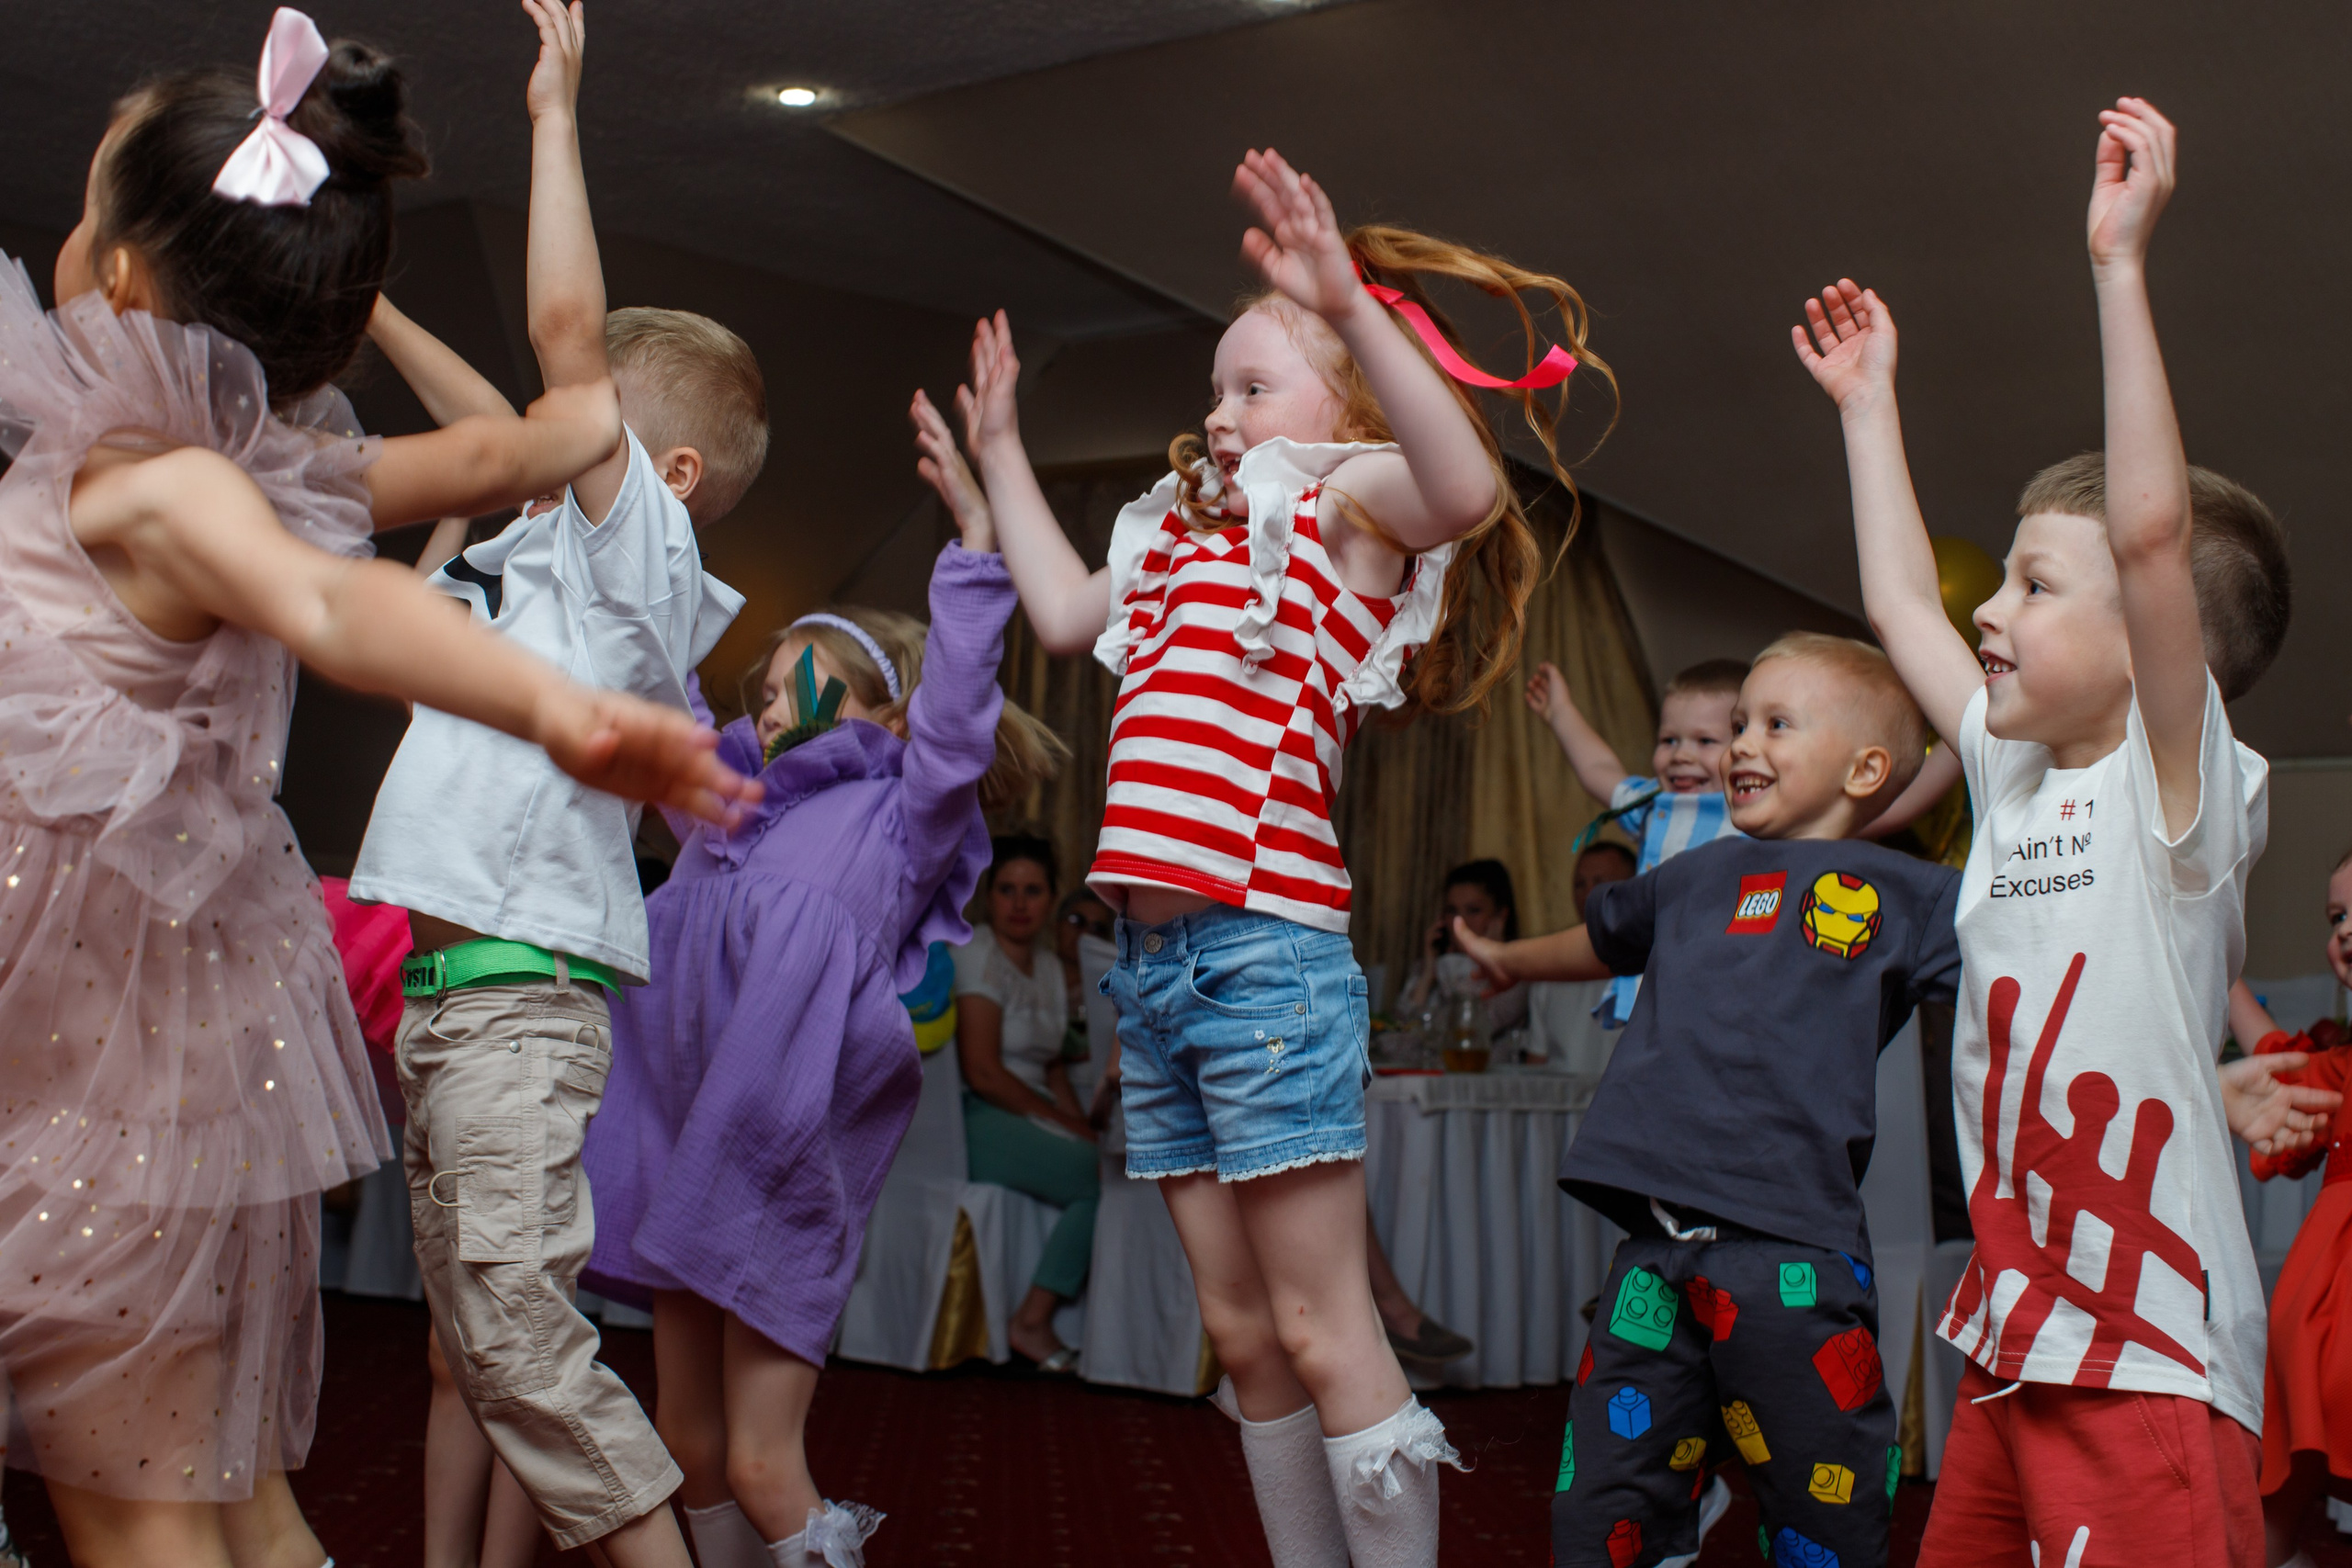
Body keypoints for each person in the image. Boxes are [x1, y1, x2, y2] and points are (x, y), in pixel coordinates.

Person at [0, 11, 749, 1567]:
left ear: (125, 277)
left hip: (99, 1051)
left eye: (85, 209)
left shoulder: (181, 483)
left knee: (133, 1489)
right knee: (225, 1488)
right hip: (150, 1026)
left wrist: (561, 709)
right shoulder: (234, 463)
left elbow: (359, 605)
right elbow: (524, 439)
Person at [944, 144, 1616, 1568]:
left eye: (1257, 383)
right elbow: (1063, 612)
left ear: (1347, 406)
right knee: (1244, 1332)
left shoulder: (1341, 507)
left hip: (1264, 955)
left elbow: (1466, 489)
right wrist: (1004, 449)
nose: (1223, 408)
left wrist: (1350, 304)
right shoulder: (1184, 534)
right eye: (1220, 385)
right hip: (1154, 968)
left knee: (1323, 1323)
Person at [1792, 98, 2296, 1566]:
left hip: (2141, 1348)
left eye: (2028, 585)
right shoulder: (2011, 783)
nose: (1989, 615)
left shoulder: (2177, 795)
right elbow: (1899, 604)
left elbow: (2150, 538)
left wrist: (2118, 267)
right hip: (2017, 1332)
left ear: (2155, 642)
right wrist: (1869, 403)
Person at [344, 6, 766, 1563]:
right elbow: (503, 420)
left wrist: (552, 117)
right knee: (479, 1348)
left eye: (587, 441)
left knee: (525, 1348)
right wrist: (369, 298)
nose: (549, 441)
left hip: (525, 997)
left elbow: (564, 359)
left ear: (670, 482)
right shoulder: (543, 567)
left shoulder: (645, 574)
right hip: (455, 993)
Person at [577, 401, 1063, 1568]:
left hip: (782, 1140)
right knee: (686, 1443)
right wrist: (616, 498)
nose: (768, 706)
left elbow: (954, 718)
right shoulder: (718, 804)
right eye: (762, 692)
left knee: (756, 1455)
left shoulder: (902, 810)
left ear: (883, 709)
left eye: (802, 685)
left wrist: (976, 546)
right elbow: (668, 679)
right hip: (681, 1133)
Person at [1458, 633, 1962, 1568]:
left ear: (1865, 768)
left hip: (1791, 1257)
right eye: (1737, 725)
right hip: (1652, 1252)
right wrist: (1508, 960)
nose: (1738, 745)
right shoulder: (1690, 878)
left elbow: (2028, 976)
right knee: (1605, 1501)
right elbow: (1602, 940)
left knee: (1827, 1511)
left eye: (1775, 724)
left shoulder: (1912, 896)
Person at [2228, 846, 2352, 1568]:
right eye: (2337, 916)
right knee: (2279, 1489)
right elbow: (2270, 1057)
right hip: (2319, 1319)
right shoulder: (2335, 1067)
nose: (2345, 930)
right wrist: (2207, 948)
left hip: (2322, 1321)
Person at [956, 837, 1102, 1373]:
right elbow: (985, 1073)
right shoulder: (975, 953)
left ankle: (1062, 1319)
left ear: (1050, 898)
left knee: (1108, 1158)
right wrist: (1071, 1128)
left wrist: (1087, 1126)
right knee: (1098, 1175)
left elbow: (1052, 1067)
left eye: (1033, 891)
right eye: (1007, 890)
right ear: (988, 897)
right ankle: (1032, 1322)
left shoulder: (1047, 967)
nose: (1019, 904)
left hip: (1030, 1108)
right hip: (979, 1114)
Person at [1523, 841, 1636, 1074]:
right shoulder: (1549, 968)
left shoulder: (1654, 965)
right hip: (1559, 1108)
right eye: (1579, 884)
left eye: (1600, 883)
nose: (1588, 895)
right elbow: (1536, 1066)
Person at [1395, 858, 1529, 1037]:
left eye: (1473, 910)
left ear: (1500, 916)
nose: (1460, 922)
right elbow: (1398, 1029)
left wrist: (1489, 959)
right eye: (1452, 911)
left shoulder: (1516, 974)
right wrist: (1428, 973)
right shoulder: (1433, 966)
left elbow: (1468, 1029)